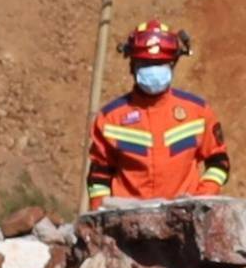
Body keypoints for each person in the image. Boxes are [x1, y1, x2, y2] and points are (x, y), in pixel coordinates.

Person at [89, 21, 230, 200]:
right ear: (132, 65)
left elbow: (219, 162)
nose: (153, 71)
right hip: (128, 221)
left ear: (173, 64)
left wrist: (201, 199)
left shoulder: (198, 112)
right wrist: (103, 215)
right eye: (145, 64)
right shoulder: (110, 119)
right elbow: (98, 176)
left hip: (183, 220)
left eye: (161, 64)